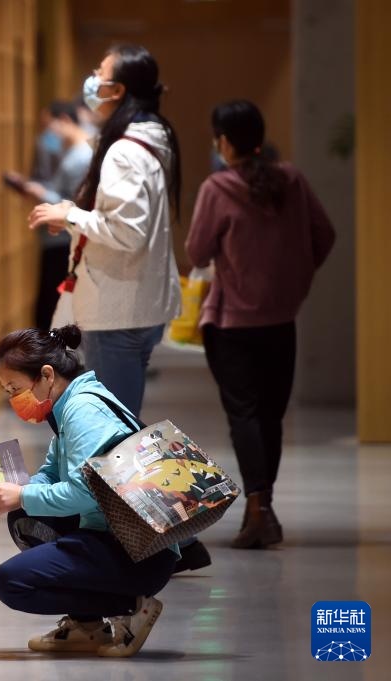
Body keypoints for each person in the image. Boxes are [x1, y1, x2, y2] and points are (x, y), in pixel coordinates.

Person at [185, 100, 336, 549]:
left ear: (224, 142)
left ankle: (258, 509)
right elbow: (324, 235)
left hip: (231, 323)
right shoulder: (292, 180)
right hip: (281, 319)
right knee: (271, 415)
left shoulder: (218, 187)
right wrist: (294, 277)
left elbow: (196, 251)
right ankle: (262, 507)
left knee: (245, 415)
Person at [0, 325, 176, 658]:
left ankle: (131, 606)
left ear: (46, 374)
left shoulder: (83, 412)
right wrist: (13, 492)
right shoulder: (70, 403)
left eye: (16, 389)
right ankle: (87, 627)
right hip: (114, 533)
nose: (14, 400)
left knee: (11, 582)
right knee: (24, 516)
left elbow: (84, 493)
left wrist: (22, 495)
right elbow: (51, 472)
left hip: (139, 551)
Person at [25, 44, 181, 420]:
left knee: (112, 428)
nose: (93, 79)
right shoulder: (150, 140)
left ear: (118, 90)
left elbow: (127, 231)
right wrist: (74, 217)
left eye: (101, 72)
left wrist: (70, 215)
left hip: (118, 309)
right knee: (117, 418)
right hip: (134, 302)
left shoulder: (124, 151)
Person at [22, 101, 93, 330]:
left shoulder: (81, 157)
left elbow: (75, 204)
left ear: (64, 120)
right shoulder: (74, 152)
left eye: (48, 125)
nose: (46, 133)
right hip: (60, 239)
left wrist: (42, 193)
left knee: (51, 310)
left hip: (64, 241)